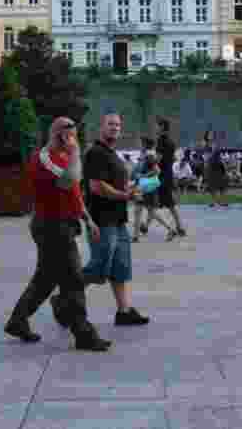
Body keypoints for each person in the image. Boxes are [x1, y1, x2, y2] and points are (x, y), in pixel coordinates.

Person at [5, 117, 111, 352]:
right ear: (60, 135)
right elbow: (69, 180)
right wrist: (75, 153)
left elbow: (73, 192)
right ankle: (84, 334)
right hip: (52, 227)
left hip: (61, 225)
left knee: (45, 279)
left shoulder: (64, 157)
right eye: (70, 135)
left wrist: (87, 218)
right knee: (73, 280)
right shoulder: (44, 158)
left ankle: (17, 320)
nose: (73, 139)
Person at [83, 113, 151, 327]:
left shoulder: (112, 154)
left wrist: (131, 190)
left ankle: (124, 311)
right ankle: (65, 297)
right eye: (110, 124)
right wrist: (125, 195)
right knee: (98, 267)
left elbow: (114, 185)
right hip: (101, 219)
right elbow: (96, 186)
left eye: (118, 125)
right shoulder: (96, 152)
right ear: (101, 127)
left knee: (121, 267)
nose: (115, 128)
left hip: (118, 219)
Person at [154, 118, 187, 238]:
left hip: (159, 176)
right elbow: (172, 158)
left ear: (162, 127)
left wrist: (148, 164)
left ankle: (171, 228)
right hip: (168, 174)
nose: (155, 128)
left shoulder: (161, 141)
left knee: (149, 203)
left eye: (157, 126)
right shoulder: (171, 142)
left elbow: (157, 160)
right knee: (170, 204)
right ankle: (179, 227)